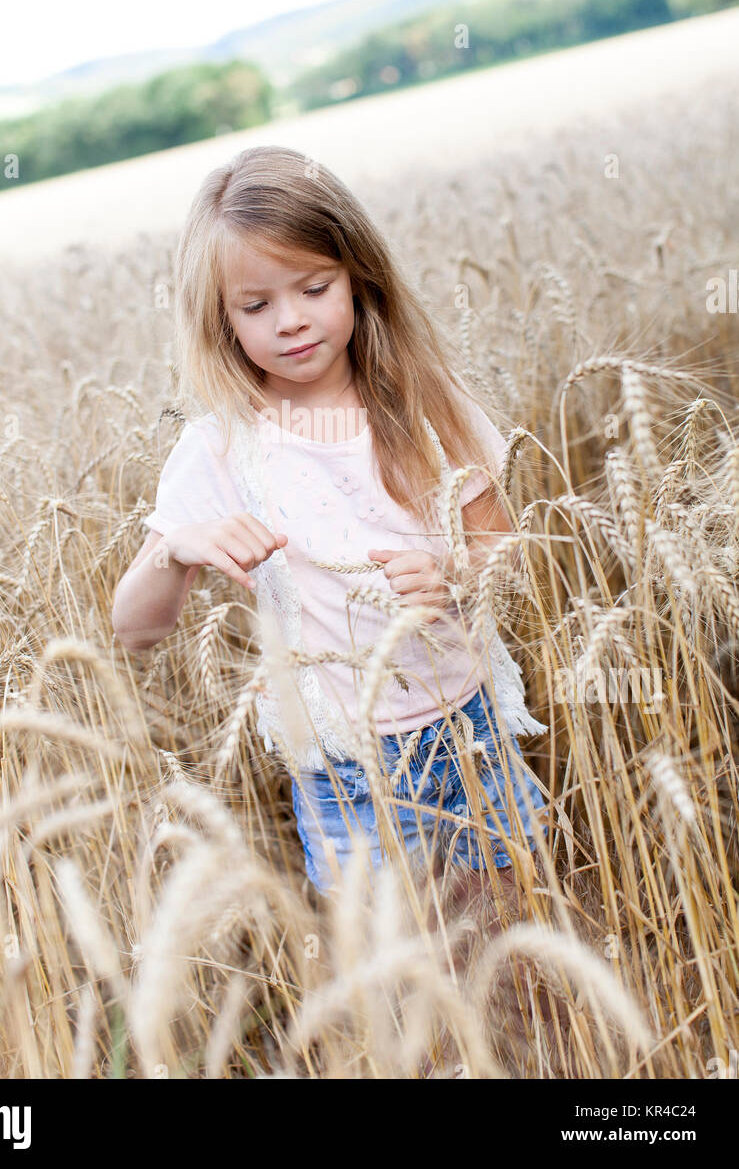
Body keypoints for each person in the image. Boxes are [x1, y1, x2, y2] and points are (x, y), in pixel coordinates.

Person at [112, 144, 548, 900]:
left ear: (358, 276)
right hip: (347, 772)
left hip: (472, 734)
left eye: (314, 287)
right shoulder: (218, 449)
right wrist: (175, 553)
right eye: (255, 306)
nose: (291, 322)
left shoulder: (428, 403)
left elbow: (506, 550)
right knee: (400, 987)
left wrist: (456, 577)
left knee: (514, 956)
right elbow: (134, 629)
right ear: (220, 319)